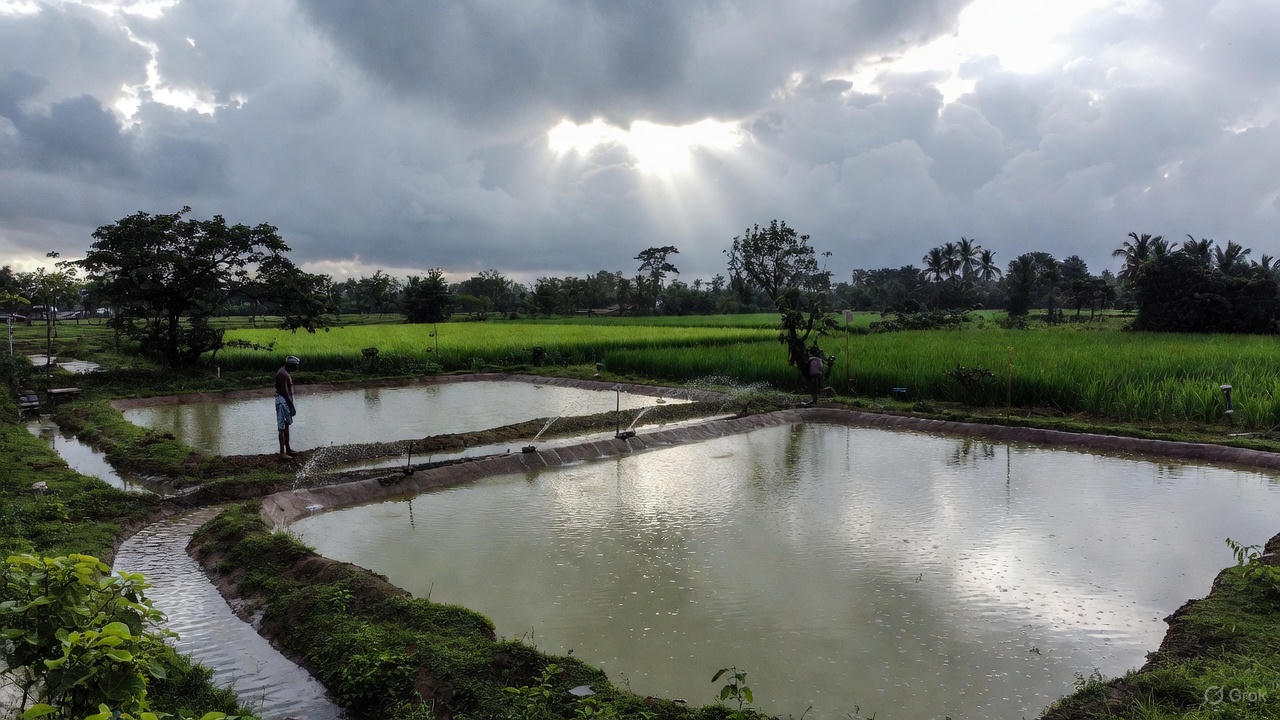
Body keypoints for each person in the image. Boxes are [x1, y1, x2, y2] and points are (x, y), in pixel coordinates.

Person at [275, 355, 300, 459]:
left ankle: (288, 449)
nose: (297, 368)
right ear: (291, 365)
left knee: (286, 425)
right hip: (282, 401)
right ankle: (282, 453)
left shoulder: (285, 372)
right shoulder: (283, 374)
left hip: (284, 401)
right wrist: (292, 406)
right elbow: (286, 393)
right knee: (282, 427)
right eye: (296, 366)